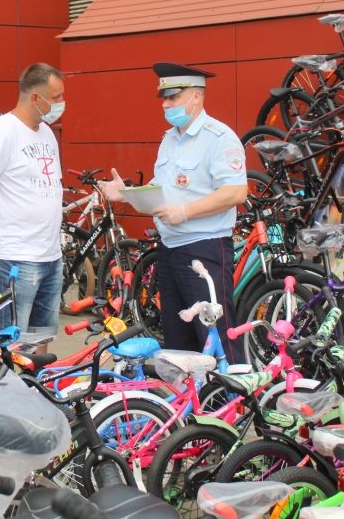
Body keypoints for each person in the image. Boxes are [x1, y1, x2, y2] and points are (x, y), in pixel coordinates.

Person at [100, 62, 247, 361]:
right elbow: (162, 188)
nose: (166, 104)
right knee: (178, 341)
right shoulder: (170, 138)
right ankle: (188, 405)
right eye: (164, 98)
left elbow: (235, 192)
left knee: (215, 336)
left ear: (196, 96)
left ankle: (231, 404)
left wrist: (186, 211)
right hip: (170, 250)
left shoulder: (219, 138)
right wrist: (125, 194)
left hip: (204, 251)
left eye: (173, 97)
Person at [0, 63, 65, 359]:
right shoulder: (3, 132)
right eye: (56, 97)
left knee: (39, 337)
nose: (60, 104)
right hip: (14, 256)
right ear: (35, 97)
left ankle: (33, 395)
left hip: (48, 255)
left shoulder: (46, 133)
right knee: (6, 339)